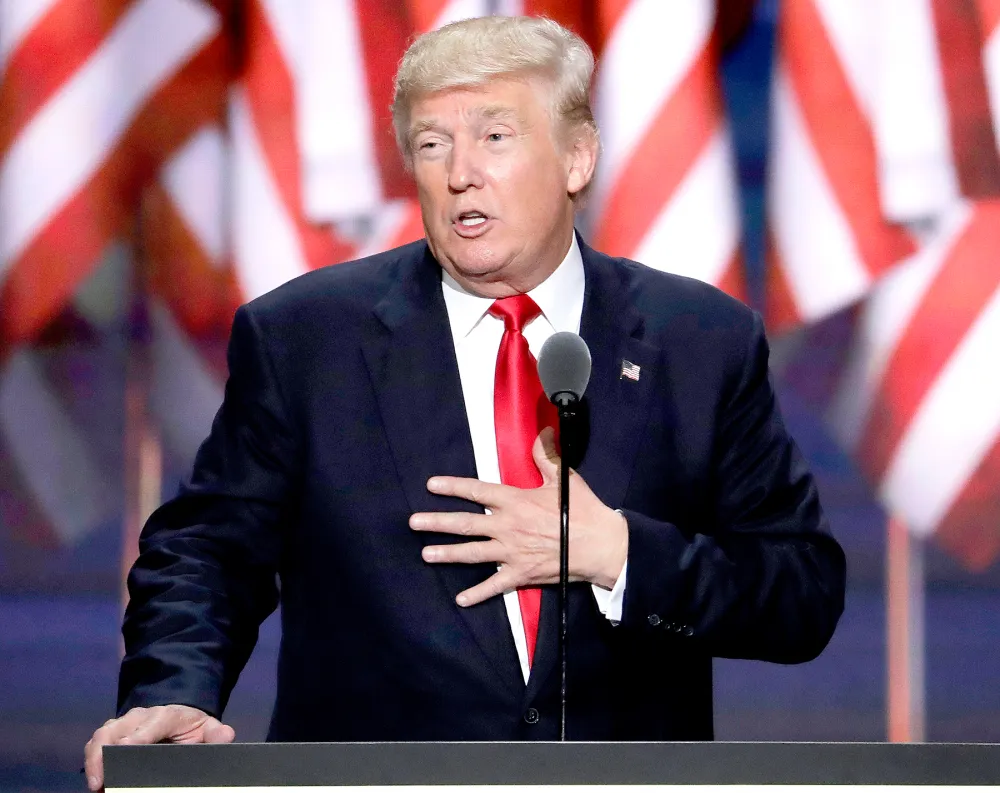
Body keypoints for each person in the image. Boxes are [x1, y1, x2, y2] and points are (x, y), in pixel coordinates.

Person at [85, 15, 845, 791]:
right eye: (431, 143)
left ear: (577, 156)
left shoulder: (700, 340)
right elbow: (205, 552)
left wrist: (617, 554)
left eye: (494, 136)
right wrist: (171, 691)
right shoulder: (306, 338)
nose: (459, 174)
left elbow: (799, 593)